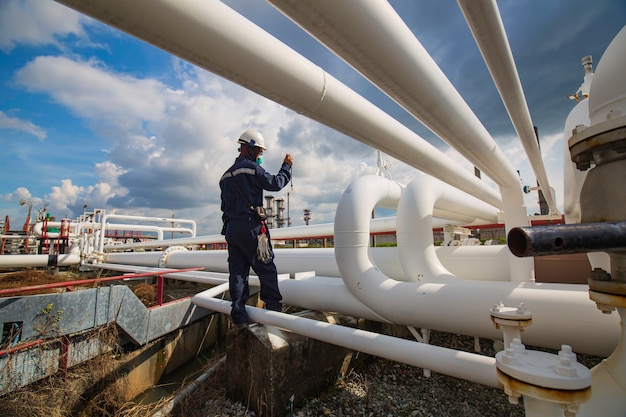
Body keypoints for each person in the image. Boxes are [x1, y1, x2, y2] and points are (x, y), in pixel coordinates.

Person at [219, 130, 293, 330]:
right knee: (266, 268)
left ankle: (239, 317)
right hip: (251, 227)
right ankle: (274, 312)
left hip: (232, 229)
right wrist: (287, 166)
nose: (260, 156)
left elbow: (224, 206)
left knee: (238, 273)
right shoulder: (251, 169)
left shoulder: (225, 176)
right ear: (248, 148)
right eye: (259, 151)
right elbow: (276, 183)